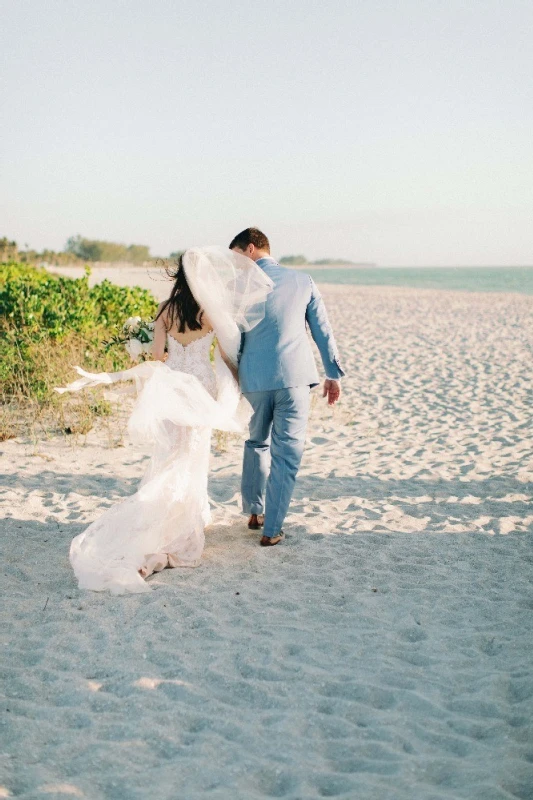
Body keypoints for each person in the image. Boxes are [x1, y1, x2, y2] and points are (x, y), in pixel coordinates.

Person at [56, 247, 272, 593]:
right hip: (201, 387)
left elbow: (158, 356)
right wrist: (240, 384)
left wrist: (164, 352)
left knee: (171, 451)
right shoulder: (210, 312)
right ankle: (181, 521)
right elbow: (227, 356)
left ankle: (166, 517)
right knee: (193, 455)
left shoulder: (165, 310)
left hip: (172, 386)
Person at [230, 228, 344, 546]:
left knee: (256, 443)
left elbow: (231, 336)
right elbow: (322, 329)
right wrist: (332, 373)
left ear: (251, 249)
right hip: (294, 378)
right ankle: (272, 529)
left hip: (253, 379)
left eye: (236, 257)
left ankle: (255, 511)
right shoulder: (302, 280)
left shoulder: (236, 287)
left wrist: (234, 374)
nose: (235, 265)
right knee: (287, 455)